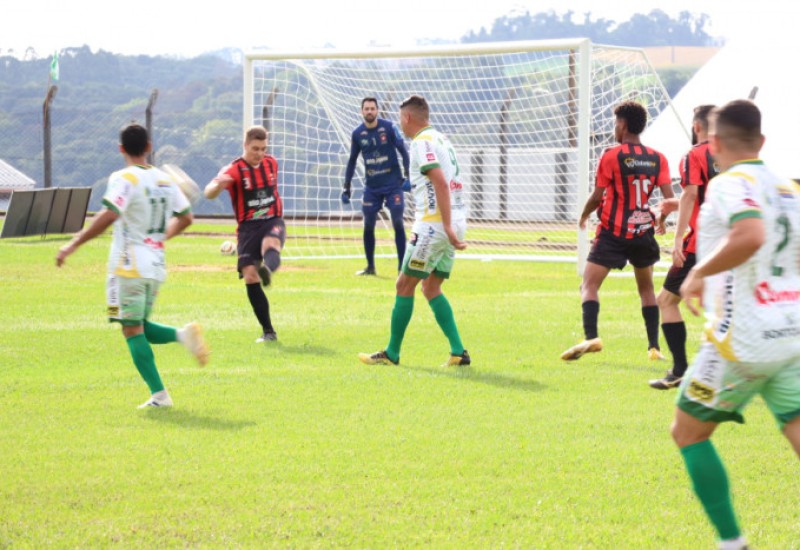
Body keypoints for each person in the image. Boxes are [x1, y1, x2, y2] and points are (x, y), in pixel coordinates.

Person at [671, 99, 800, 550]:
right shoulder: (788, 188)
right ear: (761, 141)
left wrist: (698, 273)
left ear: (713, 143)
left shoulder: (729, 185)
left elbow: (750, 235)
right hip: (791, 333)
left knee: (688, 432)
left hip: (741, 340)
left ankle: (732, 543)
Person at [55, 123, 209, 409]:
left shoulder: (123, 177)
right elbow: (186, 217)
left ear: (121, 149)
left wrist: (73, 243)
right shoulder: (164, 180)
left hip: (127, 267)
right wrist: (160, 238)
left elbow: (110, 213)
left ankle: (160, 396)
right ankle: (182, 335)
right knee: (135, 323)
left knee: (131, 328)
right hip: (154, 267)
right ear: (149, 146)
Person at [358, 94, 470, 367]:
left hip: (435, 223)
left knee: (403, 284)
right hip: (456, 218)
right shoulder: (441, 138)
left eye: (400, 119)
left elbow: (440, 183)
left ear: (407, 118)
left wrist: (443, 225)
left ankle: (392, 353)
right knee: (431, 287)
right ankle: (458, 352)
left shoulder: (420, 142)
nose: (400, 125)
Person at [561, 100, 674, 361]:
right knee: (646, 289)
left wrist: (584, 214)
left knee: (588, 284)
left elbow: (598, 196)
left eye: (615, 123)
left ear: (622, 125)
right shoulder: (658, 158)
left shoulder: (611, 156)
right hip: (642, 232)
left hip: (613, 232)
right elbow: (669, 198)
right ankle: (654, 347)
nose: (615, 127)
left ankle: (591, 337)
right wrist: (662, 219)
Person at [649, 105, 719, 389]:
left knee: (666, 301)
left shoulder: (695, 154)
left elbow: (691, 193)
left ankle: (680, 370)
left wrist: (678, 238)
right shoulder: (737, 155)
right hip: (736, 239)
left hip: (702, 242)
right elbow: (712, 196)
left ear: (697, 127)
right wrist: (676, 204)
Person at [204, 125, 286, 343]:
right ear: (245, 145)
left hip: (272, 221)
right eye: (255, 149)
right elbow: (209, 192)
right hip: (248, 228)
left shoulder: (271, 163)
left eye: (263, 148)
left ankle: (268, 268)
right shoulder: (233, 170)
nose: (259, 154)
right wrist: (218, 185)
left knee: (271, 245)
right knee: (250, 275)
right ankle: (269, 332)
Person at [342, 97, 411, 276]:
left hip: (393, 185)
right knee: (368, 225)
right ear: (362, 112)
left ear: (377, 110)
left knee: (397, 221)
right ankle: (370, 267)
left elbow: (403, 150)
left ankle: (401, 267)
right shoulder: (357, 134)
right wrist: (346, 186)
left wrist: (407, 176)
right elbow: (351, 161)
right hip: (372, 187)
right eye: (366, 109)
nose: (370, 111)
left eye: (372, 108)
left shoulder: (388, 128)